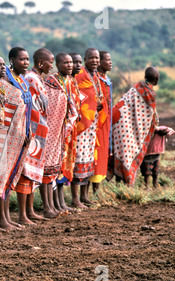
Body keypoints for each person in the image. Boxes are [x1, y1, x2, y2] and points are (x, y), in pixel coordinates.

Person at [0, 54, 31, 230]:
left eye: (3, 64)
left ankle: (4, 218)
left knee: (4, 176)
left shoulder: (4, 87)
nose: (3, 67)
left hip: (7, 138)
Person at [112, 66, 160, 186]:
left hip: (120, 126)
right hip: (130, 130)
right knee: (130, 154)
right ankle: (128, 184)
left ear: (145, 77)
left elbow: (123, 104)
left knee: (122, 153)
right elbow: (152, 117)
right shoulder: (150, 94)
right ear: (157, 79)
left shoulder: (136, 87)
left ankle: (119, 184)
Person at [44, 53, 79, 214]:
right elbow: (50, 108)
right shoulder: (52, 82)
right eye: (65, 63)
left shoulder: (71, 81)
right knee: (52, 167)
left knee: (64, 166)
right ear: (57, 64)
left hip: (69, 131)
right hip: (55, 131)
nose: (70, 65)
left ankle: (60, 202)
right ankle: (53, 204)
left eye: (71, 62)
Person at [71, 48, 105, 209]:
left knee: (89, 159)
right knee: (78, 160)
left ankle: (85, 196)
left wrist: (97, 106)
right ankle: (75, 198)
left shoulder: (96, 76)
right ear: (85, 59)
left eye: (97, 58)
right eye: (91, 58)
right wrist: (91, 105)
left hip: (93, 125)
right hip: (81, 125)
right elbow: (77, 98)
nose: (95, 61)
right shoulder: (79, 76)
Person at [25, 48, 55, 218]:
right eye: (50, 62)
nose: (52, 65)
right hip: (34, 132)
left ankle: (30, 211)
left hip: (40, 131)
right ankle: (27, 212)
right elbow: (33, 109)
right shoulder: (31, 78)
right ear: (41, 62)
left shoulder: (37, 78)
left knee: (33, 172)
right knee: (29, 171)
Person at [89, 50, 113, 193]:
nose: (110, 63)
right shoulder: (94, 79)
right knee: (95, 152)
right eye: (107, 60)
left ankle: (98, 186)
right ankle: (94, 189)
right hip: (97, 121)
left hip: (106, 120)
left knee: (103, 151)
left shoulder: (105, 79)